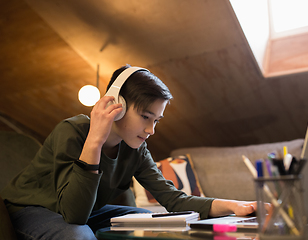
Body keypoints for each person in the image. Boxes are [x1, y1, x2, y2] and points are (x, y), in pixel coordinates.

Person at [1, 65, 257, 240]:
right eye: (146, 116)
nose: (151, 129)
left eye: (156, 120)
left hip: (86, 210)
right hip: (32, 209)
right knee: (77, 235)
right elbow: (74, 215)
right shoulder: (72, 132)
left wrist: (237, 206)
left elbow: (174, 200)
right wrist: (95, 142)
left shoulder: (136, 148)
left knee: (157, 222)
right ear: (117, 104)